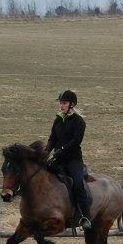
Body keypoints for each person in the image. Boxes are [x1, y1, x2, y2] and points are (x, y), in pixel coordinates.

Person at [46, 89, 93, 231]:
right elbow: (52, 139)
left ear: (71, 104)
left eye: (64, 103)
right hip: (58, 160)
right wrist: (45, 152)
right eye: (60, 103)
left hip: (73, 160)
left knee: (78, 184)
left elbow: (76, 142)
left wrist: (61, 150)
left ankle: (85, 216)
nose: (61, 105)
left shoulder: (79, 122)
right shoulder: (58, 119)